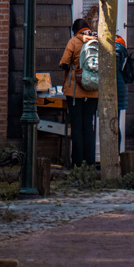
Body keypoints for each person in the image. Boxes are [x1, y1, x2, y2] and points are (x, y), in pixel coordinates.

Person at [60, 19, 98, 167]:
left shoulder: (74, 41)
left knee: (76, 125)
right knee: (89, 125)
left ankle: (77, 163)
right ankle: (90, 162)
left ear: (75, 30)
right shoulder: (98, 41)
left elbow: (63, 63)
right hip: (94, 91)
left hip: (75, 92)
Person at [115, 34, 128, 150]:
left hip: (115, 89)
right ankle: (116, 152)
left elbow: (112, 68)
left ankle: (115, 153)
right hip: (120, 87)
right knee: (115, 122)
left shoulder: (115, 49)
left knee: (113, 123)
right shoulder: (121, 48)